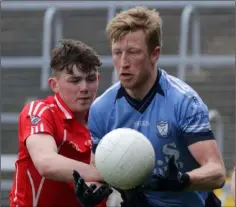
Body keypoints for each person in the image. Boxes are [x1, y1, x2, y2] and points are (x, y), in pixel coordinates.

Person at [88, 6, 226, 207]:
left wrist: (182, 181)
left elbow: (217, 172)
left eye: (133, 52)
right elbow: (98, 169)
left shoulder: (183, 101)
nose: (123, 62)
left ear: (155, 54)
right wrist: (92, 188)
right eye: (117, 53)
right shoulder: (102, 109)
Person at [9, 39, 112, 207]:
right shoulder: (40, 111)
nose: (85, 88)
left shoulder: (106, 119)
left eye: (91, 79)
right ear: (54, 85)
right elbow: (46, 163)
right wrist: (103, 174)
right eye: (75, 81)